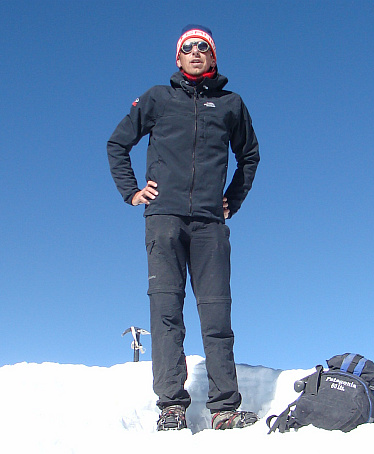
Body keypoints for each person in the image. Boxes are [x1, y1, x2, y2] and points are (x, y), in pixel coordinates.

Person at [107, 25, 260, 431]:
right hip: (165, 220)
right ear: (178, 58)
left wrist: (234, 199)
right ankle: (171, 406)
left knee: (216, 316)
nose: (195, 53)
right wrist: (132, 192)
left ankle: (224, 408)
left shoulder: (231, 104)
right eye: (188, 48)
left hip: (210, 224)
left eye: (203, 48)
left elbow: (250, 156)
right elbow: (117, 143)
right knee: (165, 312)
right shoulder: (158, 98)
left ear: (213, 58)